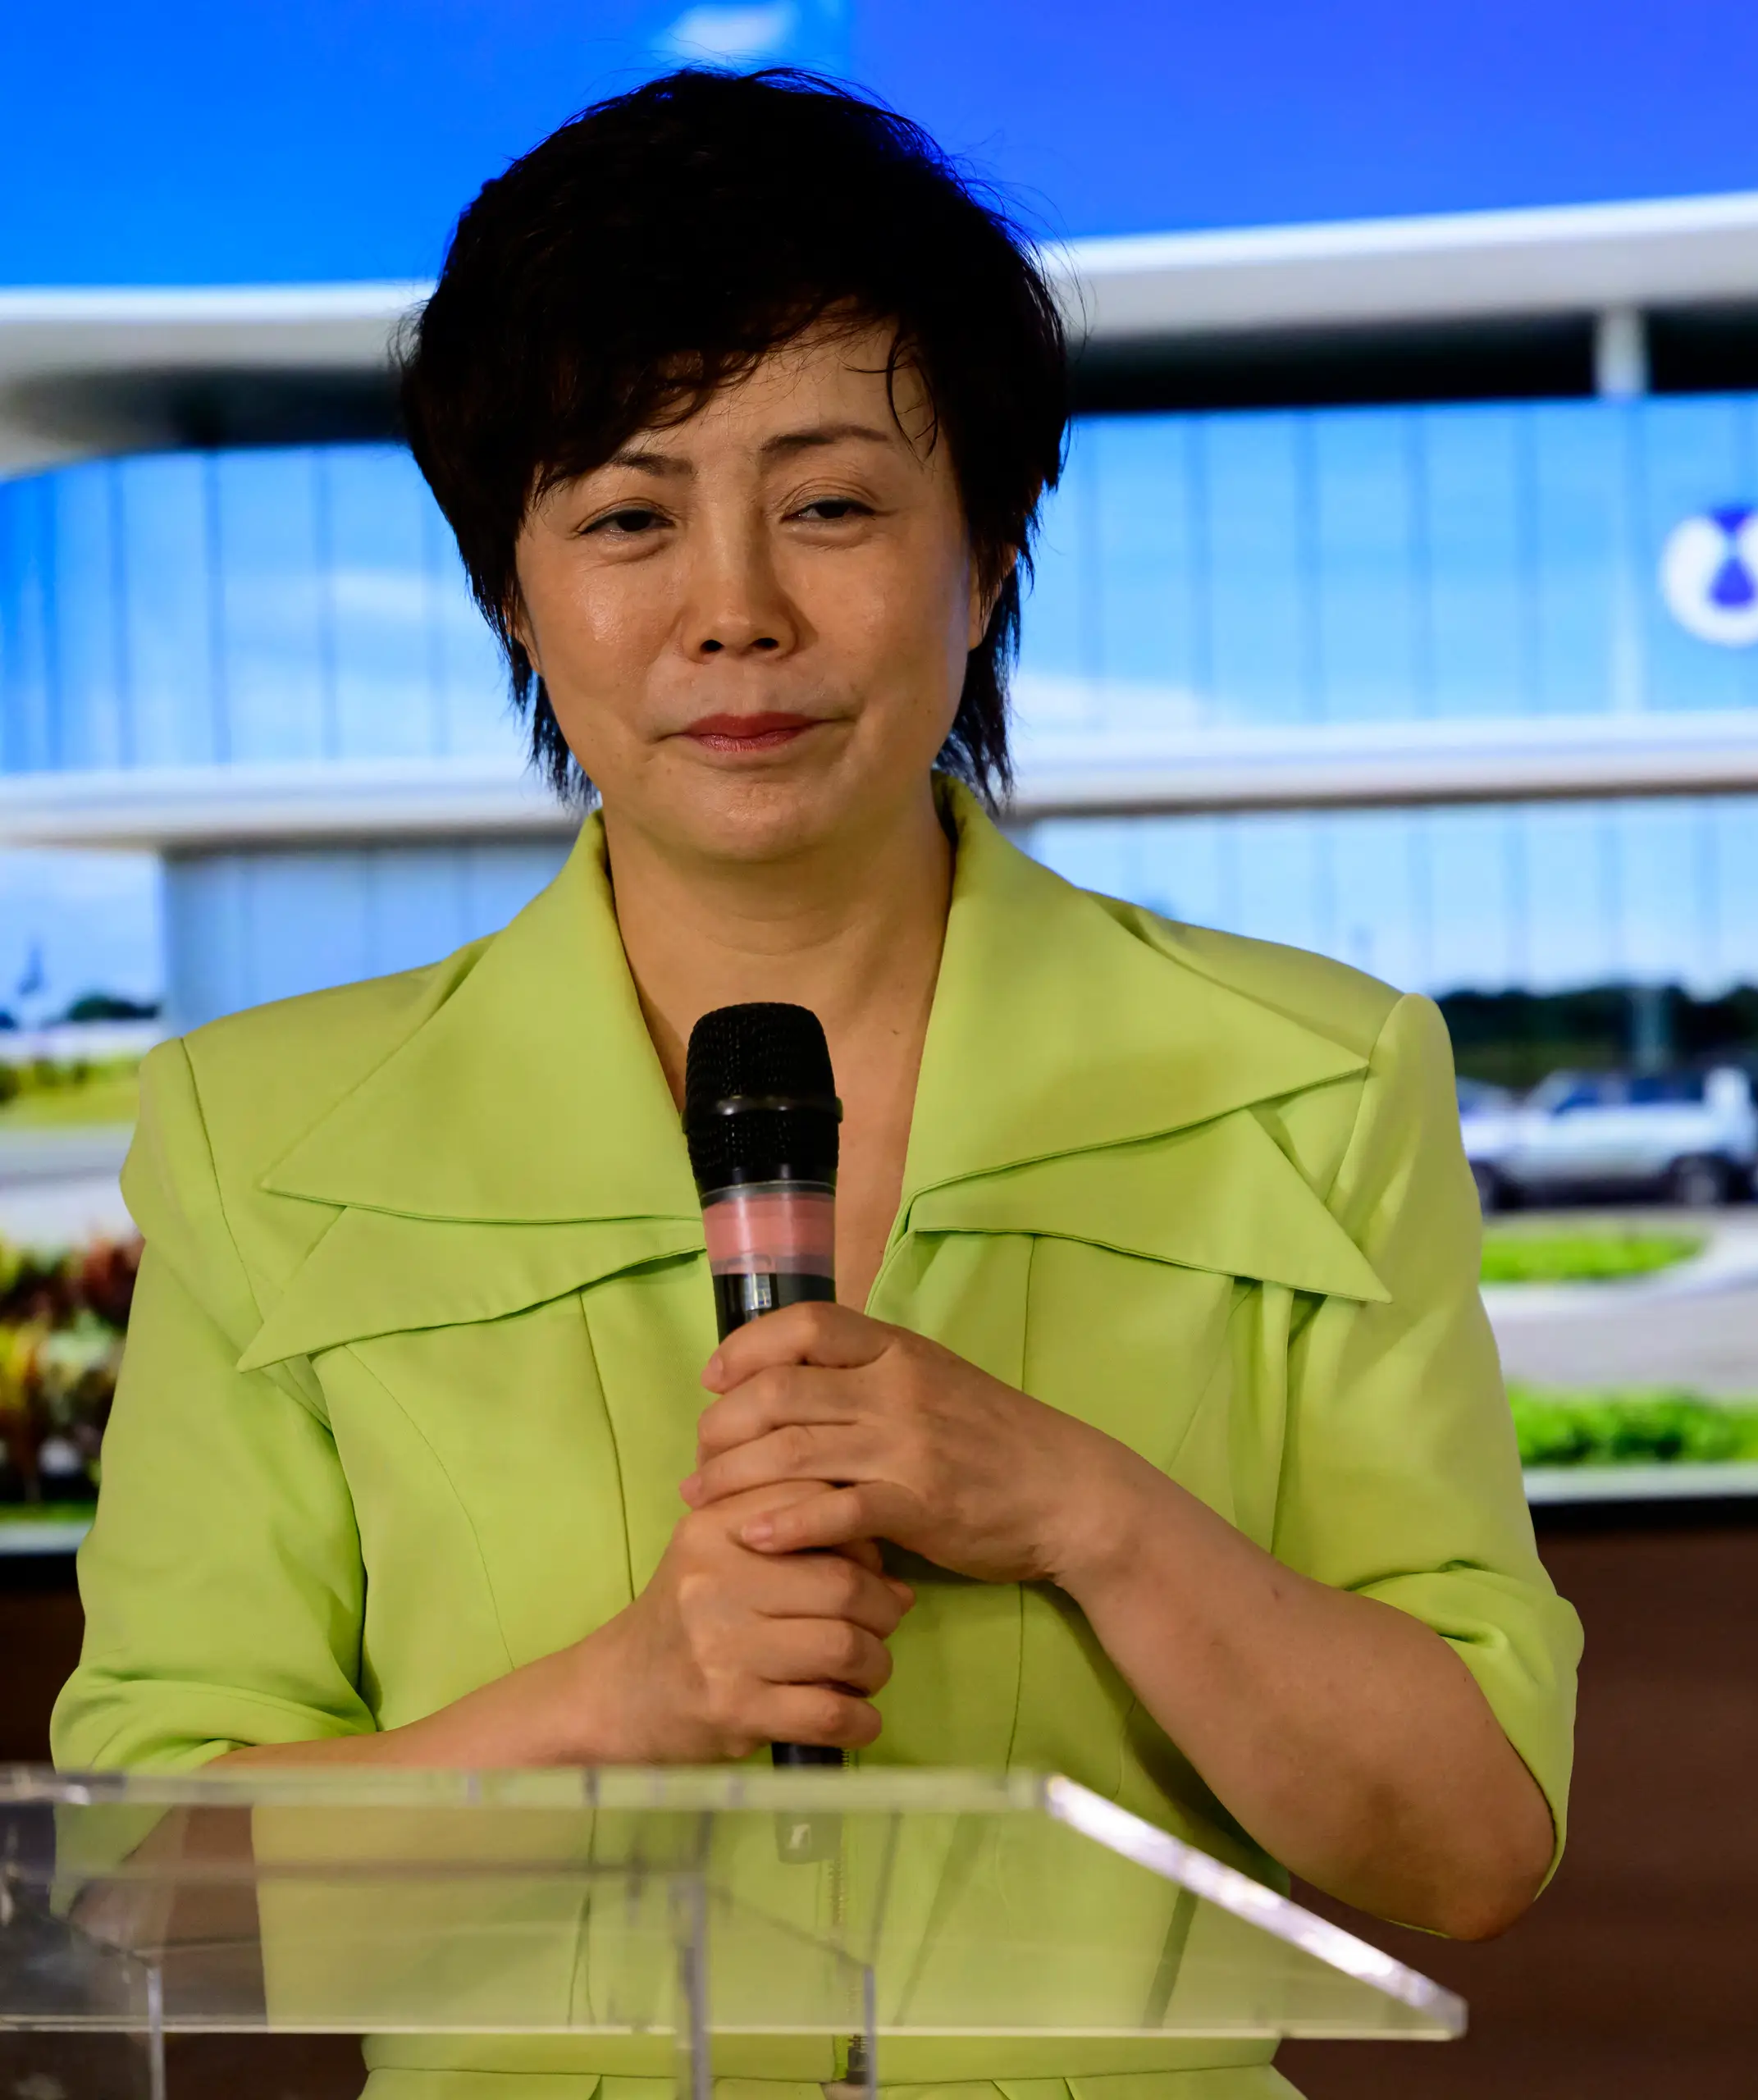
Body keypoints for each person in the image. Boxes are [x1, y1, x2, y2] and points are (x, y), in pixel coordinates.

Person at [51, 69, 1578, 2095]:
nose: (736, 607)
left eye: (832, 501)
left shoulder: (1304, 1080)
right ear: (513, 589)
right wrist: (627, 1693)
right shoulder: (273, 1139)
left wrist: (1081, 1510)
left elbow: (1471, 1841)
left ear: (992, 548)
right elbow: (143, 1887)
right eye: (625, 514)